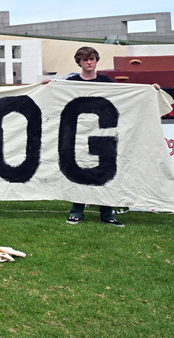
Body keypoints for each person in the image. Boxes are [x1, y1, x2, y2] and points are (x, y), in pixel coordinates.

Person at [42, 46, 125, 227]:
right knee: (78, 173)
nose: (89, 62)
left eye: (92, 59)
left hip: (104, 135)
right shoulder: (71, 82)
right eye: (85, 60)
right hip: (77, 136)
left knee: (106, 173)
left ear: (96, 60)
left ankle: (107, 214)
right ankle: (77, 211)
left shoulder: (106, 82)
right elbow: (55, 94)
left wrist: (150, 89)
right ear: (79, 62)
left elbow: (126, 94)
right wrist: (45, 87)